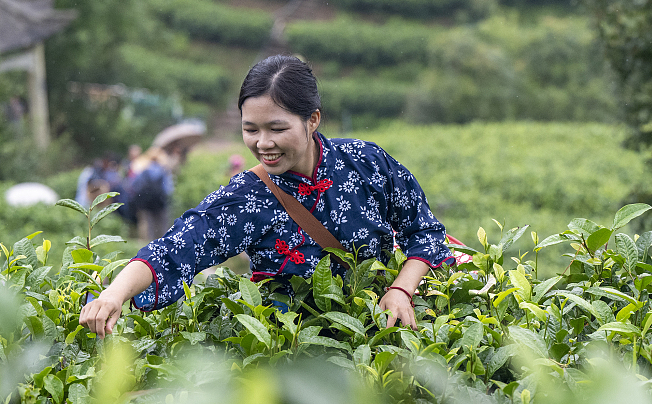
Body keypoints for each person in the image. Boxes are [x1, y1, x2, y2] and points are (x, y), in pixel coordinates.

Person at [80, 55, 452, 337]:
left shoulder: (365, 162)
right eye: (250, 129)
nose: (263, 143)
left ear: (312, 120)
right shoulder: (247, 196)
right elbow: (177, 248)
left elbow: (424, 231)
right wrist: (114, 294)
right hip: (294, 354)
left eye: (277, 128)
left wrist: (401, 289)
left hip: (379, 337)